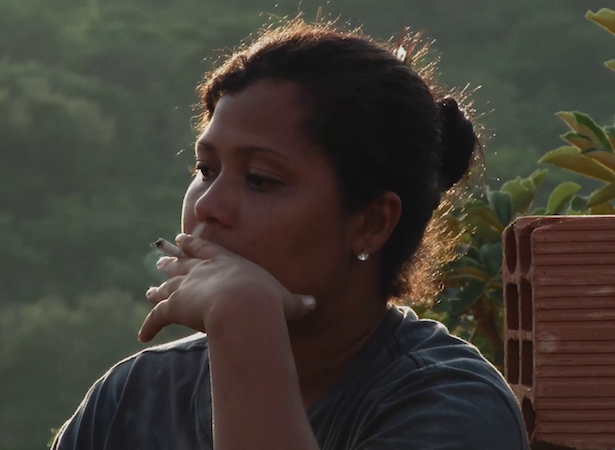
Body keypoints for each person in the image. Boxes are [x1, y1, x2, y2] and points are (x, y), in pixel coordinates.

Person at [52, 18, 530, 450]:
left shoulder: (452, 407)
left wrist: (246, 325)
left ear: (371, 223)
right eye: (205, 169)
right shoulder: (133, 397)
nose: (206, 206)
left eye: (260, 179)